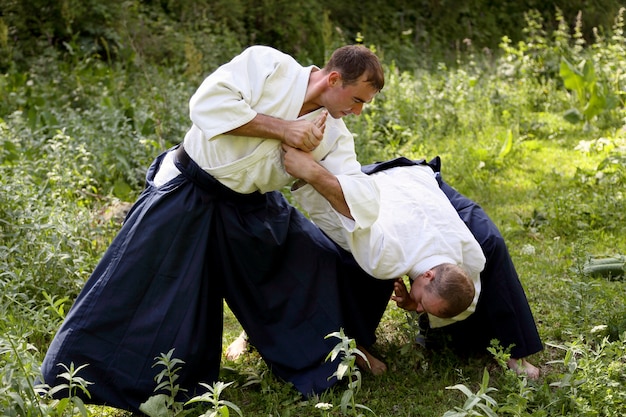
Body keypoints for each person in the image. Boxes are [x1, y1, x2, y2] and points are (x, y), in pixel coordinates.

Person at [39, 44, 385, 413]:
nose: (359, 111)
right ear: (333, 78)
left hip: (252, 208)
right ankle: (74, 378)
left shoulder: (334, 134)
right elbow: (207, 103)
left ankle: (337, 352)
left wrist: (313, 171)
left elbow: (361, 200)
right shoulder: (269, 65)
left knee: (317, 262)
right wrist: (285, 129)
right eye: (358, 99)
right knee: (143, 292)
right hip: (190, 190)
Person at [286, 154, 543, 378]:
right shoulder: (384, 256)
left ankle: (512, 351)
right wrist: (310, 177)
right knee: (361, 263)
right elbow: (346, 218)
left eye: (420, 306)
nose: (416, 307)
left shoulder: (473, 255)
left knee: (492, 242)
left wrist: (417, 304)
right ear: (428, 275)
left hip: (422, 190)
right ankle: (354, 343)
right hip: (375, 183)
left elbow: (465, 295)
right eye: (420, 303)